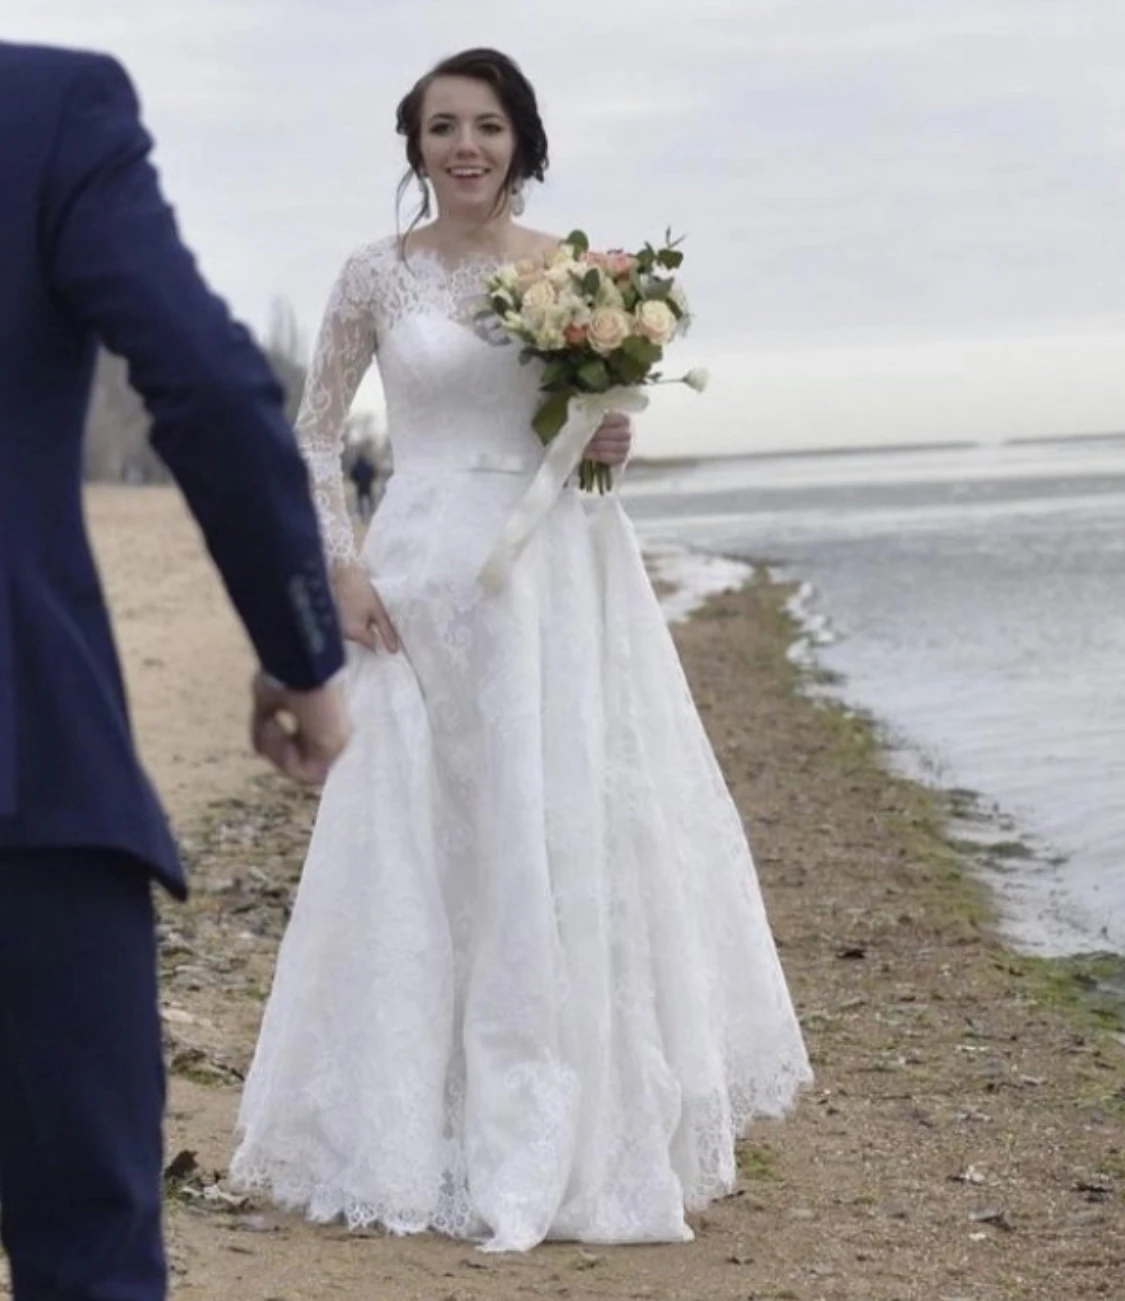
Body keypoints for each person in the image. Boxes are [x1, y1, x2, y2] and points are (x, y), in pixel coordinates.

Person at [232, 47, 811, 1252]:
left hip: (555, 582)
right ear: (416, 146)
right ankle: (409, 1125)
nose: (464, 147)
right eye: (442, 127)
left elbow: (597, 426)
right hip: (416, 579)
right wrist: (340, 570)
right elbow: (312, 433)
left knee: (555, 828)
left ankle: (562, 1124)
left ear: (520, 140)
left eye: (485, 126)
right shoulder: (372, 279)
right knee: (417, 837)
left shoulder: (574, 275)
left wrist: (612, 434)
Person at [0, 40, 352, 1301]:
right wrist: (302, 655)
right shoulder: (41, 105)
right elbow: (204, 378)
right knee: (85, 1253)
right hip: (22, 770)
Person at [348, 449, 378, 520]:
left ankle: (361, 515)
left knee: (360, 501)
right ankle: (372, 512)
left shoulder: (356, 466)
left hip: (360, 485)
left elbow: (352, 475)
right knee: (370, 499)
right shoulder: (368, 465)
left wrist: (356, 481)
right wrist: (370, 480)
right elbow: (373, 472)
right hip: (367, 484)